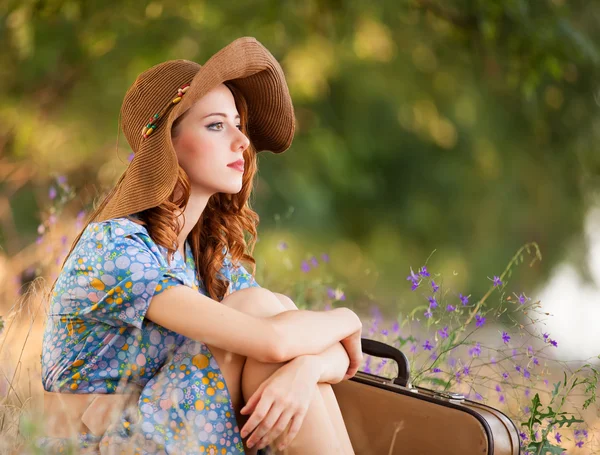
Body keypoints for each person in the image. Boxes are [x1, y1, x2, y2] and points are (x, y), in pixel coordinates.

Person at [39, 37, 363, 455]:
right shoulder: (117, 247)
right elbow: (273, 340)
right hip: (98, 445)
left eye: (237, 123)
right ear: (166, 146)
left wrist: (307, 369)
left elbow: (313, 350)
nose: (241, 141)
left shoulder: (204, 254)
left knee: (274, 310)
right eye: (216, 125)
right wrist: (348, 317)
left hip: (165, 432)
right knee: (262, 313)